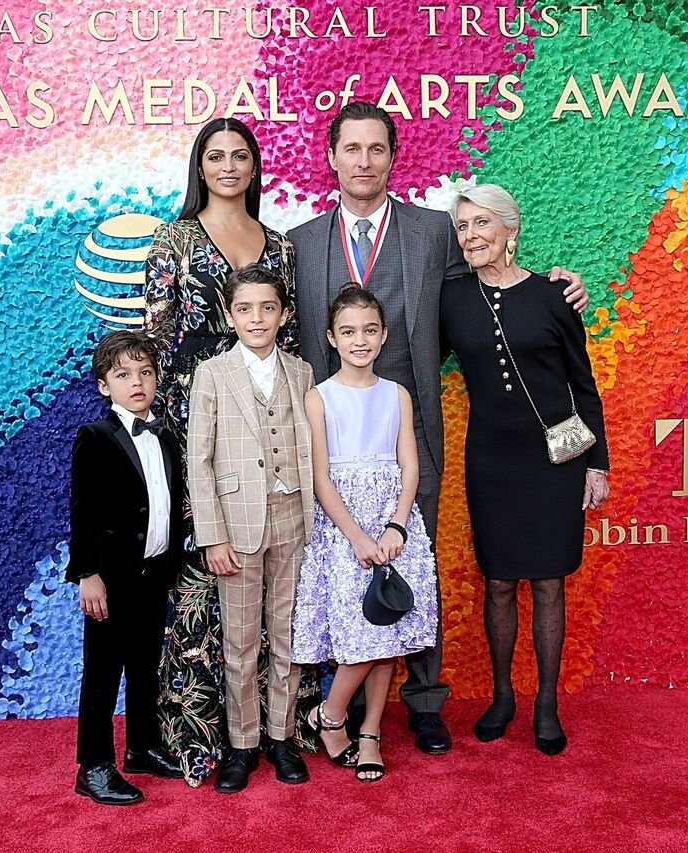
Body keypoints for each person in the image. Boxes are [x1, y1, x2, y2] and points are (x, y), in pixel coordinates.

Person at [287, 101, 589, 754]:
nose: (364, 161)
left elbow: (489, 290)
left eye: (376, 148)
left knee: (413, 563)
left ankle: (424, 702)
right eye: (352, 148)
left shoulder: (433, 233)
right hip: (331, 437)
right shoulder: (302, 243)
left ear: (392, 157)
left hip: (411, 431)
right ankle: (327, 705)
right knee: (336, 567)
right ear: (332, 157)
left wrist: (558, 287)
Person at [144, 118, 316, 786]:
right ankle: (207, 735)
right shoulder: (174, 240)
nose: (228, 165)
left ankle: (281, 732)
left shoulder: (279, 246)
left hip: (268, 443)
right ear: (199, 164)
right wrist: (168, 442)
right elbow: (157, 343)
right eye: (215, 155)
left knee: (282, 609)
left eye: (240, 155)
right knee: (204, 592)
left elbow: (293, 338)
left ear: (254, 165)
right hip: (198, 433)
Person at [441, 183, 610, 756]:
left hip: (555, 462)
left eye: (482, 223)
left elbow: (583, 386)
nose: (471, 236)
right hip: (491, 461)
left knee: (548, 583)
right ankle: (502, 696)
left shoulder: (555, 296)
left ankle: (545, 704)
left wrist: (598, 465)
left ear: (511, 230)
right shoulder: (452, 298)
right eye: (462, 227)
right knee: (497, 583)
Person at [293, 284, 439, 783]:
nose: (360, 340)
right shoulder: (318, 398)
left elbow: (409, 465)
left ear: (383, 337)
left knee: (390, 630)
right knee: (363, 637)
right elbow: (319, 477)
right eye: (349, 331)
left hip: (395, 527)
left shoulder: (396, 394)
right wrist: (356, 536)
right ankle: (330, 716)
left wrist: (397, 524)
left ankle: (371, 732)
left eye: (370, 330)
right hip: (343, 530)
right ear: (331, 338)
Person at [187, 264, 316, 793]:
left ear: (284, 313)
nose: (257, 318)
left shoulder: (302, 372)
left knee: (286, 636)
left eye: (267, 307)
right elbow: (199, 461)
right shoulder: (212, 375)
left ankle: (281, 738)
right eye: (245, 309)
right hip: (236, 529)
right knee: (240, 643)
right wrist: (212, 534)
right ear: (228, 315)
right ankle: (241, 745)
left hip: (292, 520)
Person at [67, 330, 186, 805]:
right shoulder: (95, 438)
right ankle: (93, 766)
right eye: (123, 375)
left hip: (154, 571)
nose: (136, 382)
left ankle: (142, 746)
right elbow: (82, 510)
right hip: (110, 578)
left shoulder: (167, 435)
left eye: (145, 373)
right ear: (104, 386)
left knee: (144, 667)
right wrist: (87, 574)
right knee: (102, 671)